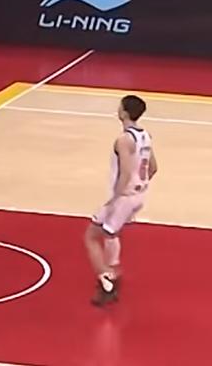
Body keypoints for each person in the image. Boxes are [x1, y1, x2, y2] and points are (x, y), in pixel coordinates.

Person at [86, 95, 157, 306]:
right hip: (139, 195)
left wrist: (114, 201)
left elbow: (125, 173)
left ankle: (107, 280)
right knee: (111, 233)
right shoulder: (146, 136)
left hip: (124, 197)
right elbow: (153, 168)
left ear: (124, 112)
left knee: (91, 236)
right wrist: (139, 186)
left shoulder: (124, 140)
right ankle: (113, 272)